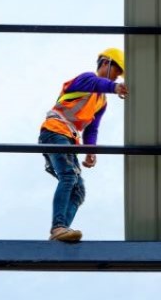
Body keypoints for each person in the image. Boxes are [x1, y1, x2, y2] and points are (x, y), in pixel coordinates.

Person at [38, 48, 128, 242]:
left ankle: (62, 231)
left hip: (67, 138)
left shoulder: (101, 102)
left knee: (79, 190)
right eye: (117, 71)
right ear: (105, 63)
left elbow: (91, 129)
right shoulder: (86, 79)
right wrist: (115, 88)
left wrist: (90, 151)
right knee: (69, 176)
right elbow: (97, 82)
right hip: (54, 131)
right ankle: (58, 227)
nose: (117, 77)